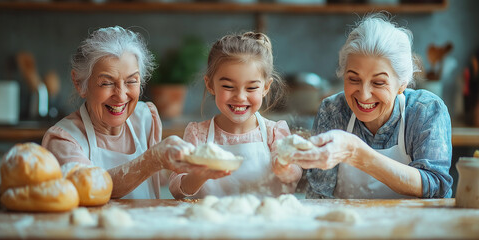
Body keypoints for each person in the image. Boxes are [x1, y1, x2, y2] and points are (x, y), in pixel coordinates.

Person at [292, 13, 453, 199]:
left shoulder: (425, 110)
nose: (364, 94)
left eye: (378, 83)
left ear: (402, 83)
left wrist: (357, 153)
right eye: (353, 79)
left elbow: (436, 185)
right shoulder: (333, 111)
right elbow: (320, 194)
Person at [42, 26, 208, 199]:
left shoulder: (145, 118)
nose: (121, 96)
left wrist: (195, 171)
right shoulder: (64, 139)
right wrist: (152, 160)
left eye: (131, 81)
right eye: (106, 83)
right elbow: (90, 189)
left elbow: (157, 183)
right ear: (79, 83)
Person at [169, 32, 302, 199]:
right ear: (210, 85)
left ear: (266, 88)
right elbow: (176, 189)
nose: (240, 97)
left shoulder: (274, 132)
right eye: (228, 86)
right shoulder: (198, 135)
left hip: (265, 222)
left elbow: (295, 173)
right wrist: (199, 175)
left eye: (251, 88)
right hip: (212, 222)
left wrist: (286, 170)